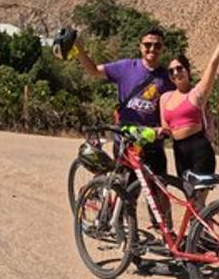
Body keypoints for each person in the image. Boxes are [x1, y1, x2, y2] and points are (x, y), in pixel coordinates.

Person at [74, 26, 174, 178]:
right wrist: (79, 50)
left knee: (159, 195)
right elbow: (94, 70)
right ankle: (104, 197)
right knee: (125, 193)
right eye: (147, 45)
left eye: (157, 45)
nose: (152, 49)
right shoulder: (126, 67)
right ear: (140, 46)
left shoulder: (168, 78)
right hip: (126, 141)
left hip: (153, 143)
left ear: (163, 48)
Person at [159, 18, 219, 197]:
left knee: (199, 202)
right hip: (179, 151)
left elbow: (213, 64)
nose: (175, 73)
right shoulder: (164, 99)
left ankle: (204, 224)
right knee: (189, 200)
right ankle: (197, 226)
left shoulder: (197, 94)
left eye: (179, 68)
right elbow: (165, 128)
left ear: (187, 70)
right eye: (171, 71)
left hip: (199, 150)